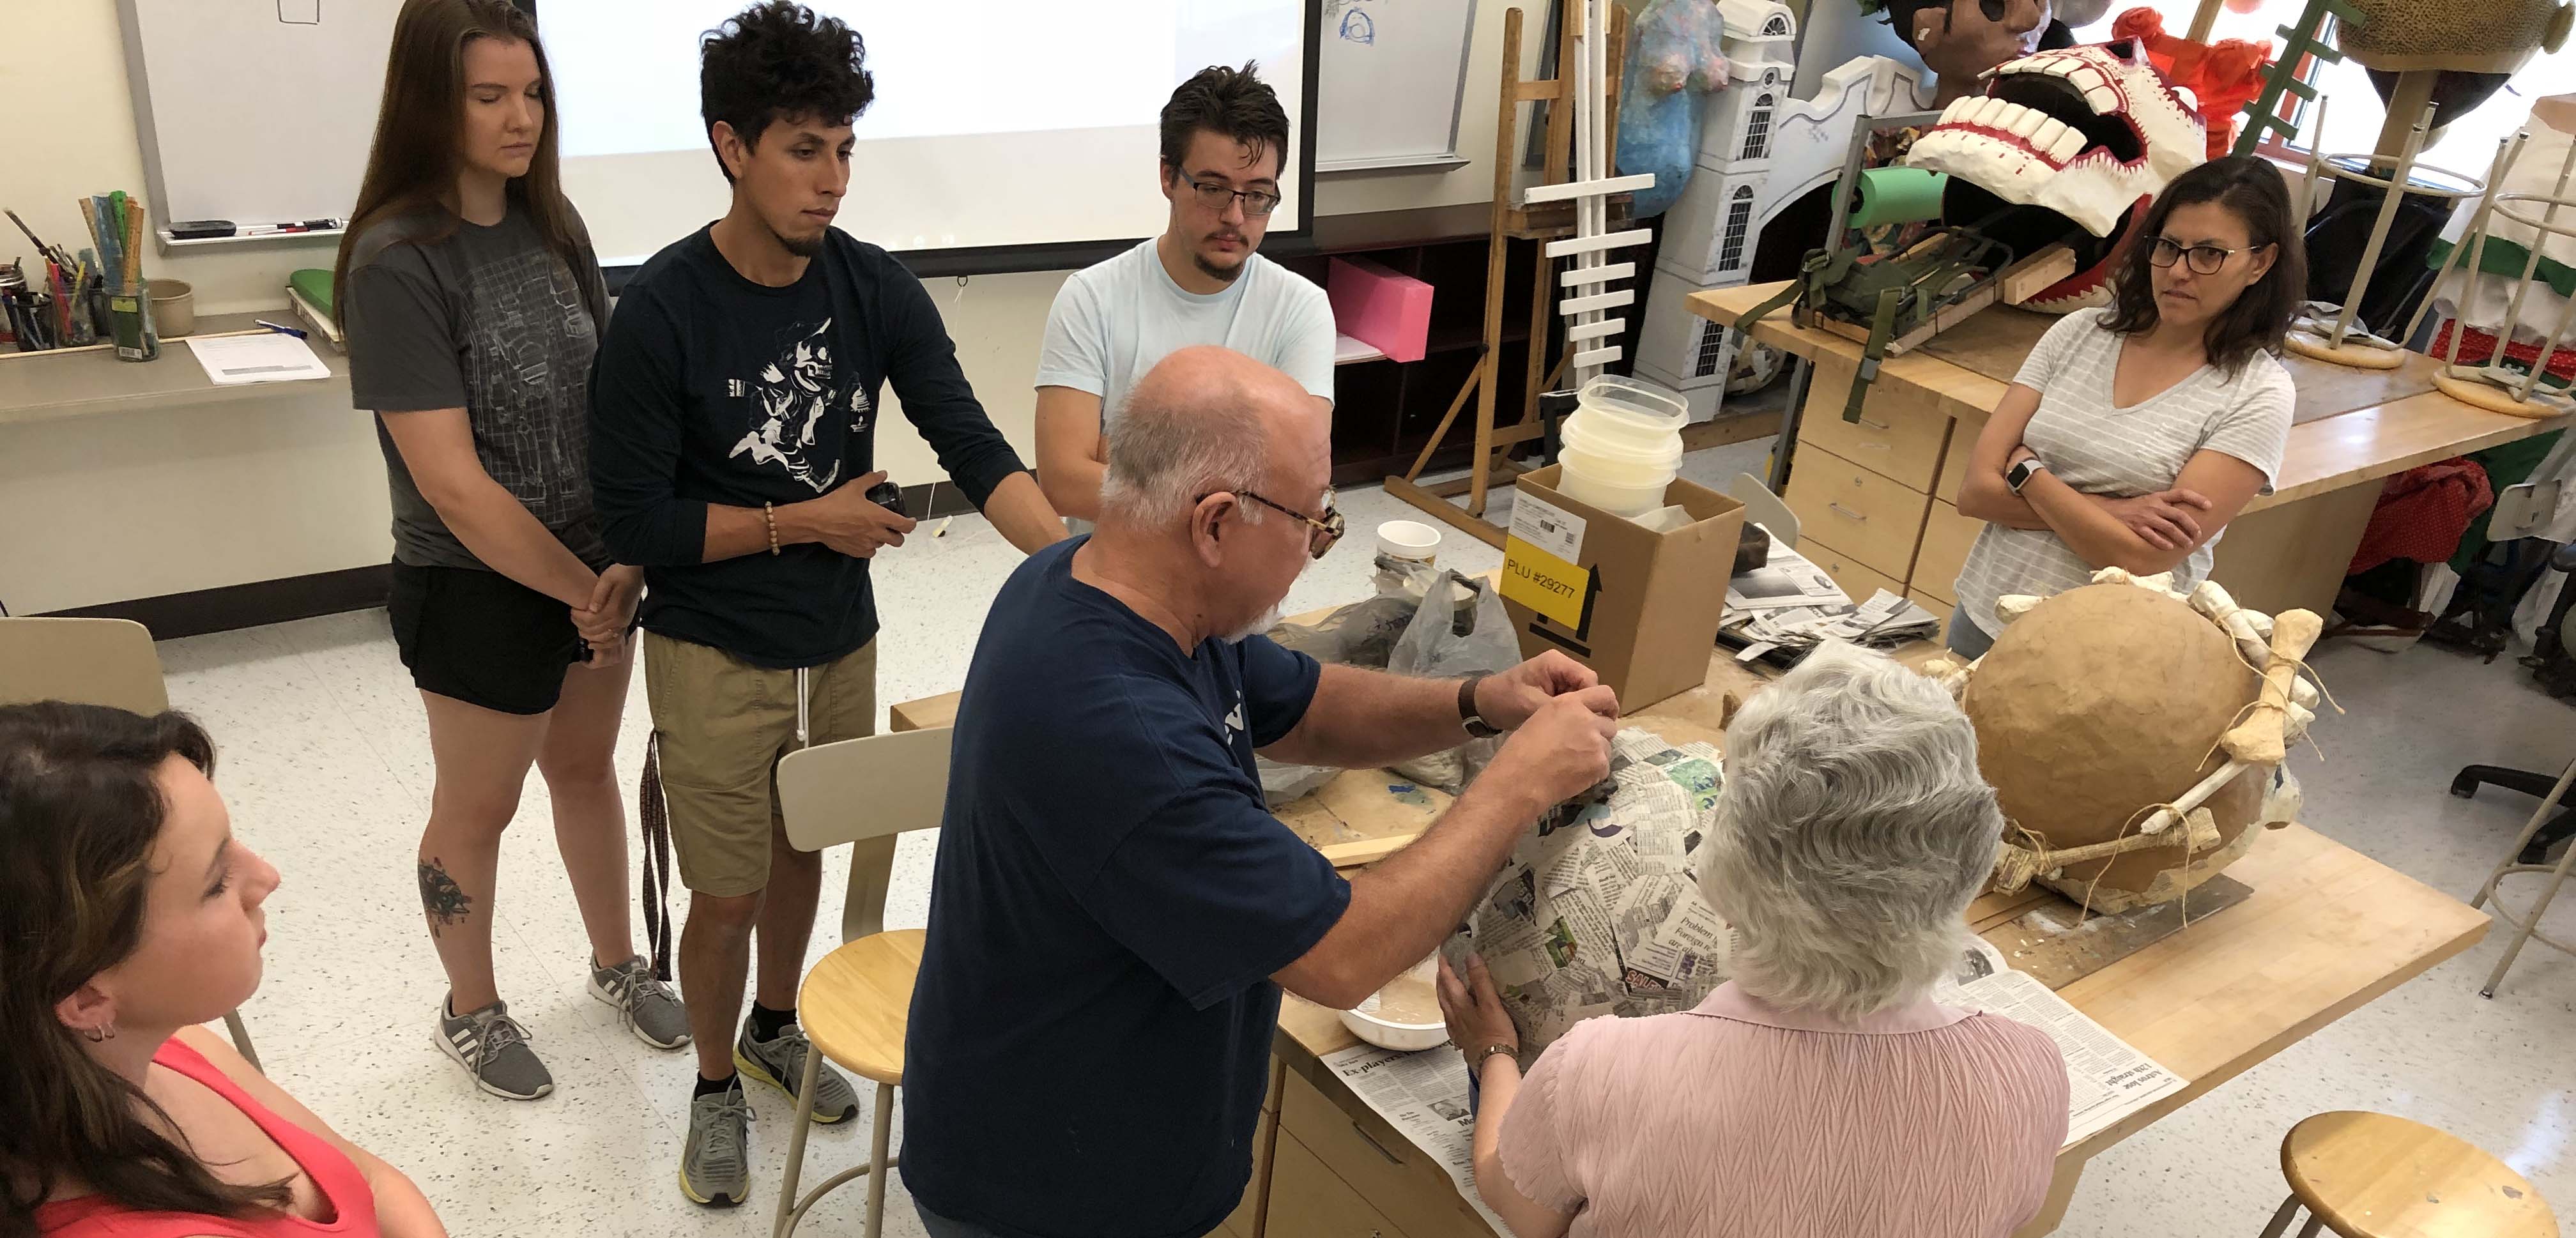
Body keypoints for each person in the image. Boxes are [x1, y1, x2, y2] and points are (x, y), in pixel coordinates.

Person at [901, 346, 1622, 1238]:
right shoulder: (1119, 730)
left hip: (1101, 1124)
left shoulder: (1111, 580)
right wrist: (1521, 780)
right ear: (1213, 523)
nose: (1317, 548)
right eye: (1313, 521)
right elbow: (1343, 954)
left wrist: (1479, 704)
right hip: (1053, 1188)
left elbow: (1304, 702)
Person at [585, 0, 1066, 1207]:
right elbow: (640, 526)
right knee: (728, 885)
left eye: (845, 148)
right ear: (730, 146)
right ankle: (710, 1083)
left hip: (834, 640)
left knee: (804, 845)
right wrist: (812, 521)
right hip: (710, 649)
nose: (833, 179)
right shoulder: (659, 315)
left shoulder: (871, 289)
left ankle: (775, 1021)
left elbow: (969, 438)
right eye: (805, 148)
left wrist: (1079, 573)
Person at [337, 0, 683, 1104]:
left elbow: (611, 392)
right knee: (475, 808)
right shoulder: (396, 263)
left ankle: (615, 961)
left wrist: (621, 562)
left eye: (531, 93)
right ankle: (469, 1006)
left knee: (583, 771)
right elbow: (451, 481)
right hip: (477, 586)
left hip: (594, 574)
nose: (519, 117)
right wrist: (584, 590)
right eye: (489, 96)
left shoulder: (554, 223)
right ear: (430, 103)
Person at [1435, 643, 2069, 1238]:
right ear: (1972, 855)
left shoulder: (1602, 1072)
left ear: (1729, 870)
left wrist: (1493, 1051)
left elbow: (1516, 1201)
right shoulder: (2028, 1071)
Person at [0, 702, 448, 1238]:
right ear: (86, 996)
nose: (265, 878)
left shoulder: (147, 1041)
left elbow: (372, 1182)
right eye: (215, 883)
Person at [1947, 155, 2303, 657]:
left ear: (2260, 263)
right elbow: (1976, 494)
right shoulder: (2077, 334)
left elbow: (2140, 557)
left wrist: (2027, 471)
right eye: (2169, 247)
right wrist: (2115, 510)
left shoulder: (2260, 393)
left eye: (2209, 255)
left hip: (2106, 657)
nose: (2180, 271)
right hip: (1984, 615)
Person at [1032, 63, 1335, 527]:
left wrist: (1133, 466)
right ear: (1169, 177)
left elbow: (1300, 484)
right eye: (1213, 189)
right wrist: (1230, 486)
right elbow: (1064, 481)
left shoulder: (1301, 308)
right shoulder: (1092, 299)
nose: (1235, 216)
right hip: (1111, 575)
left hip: (1240, 580)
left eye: (1257, 195)